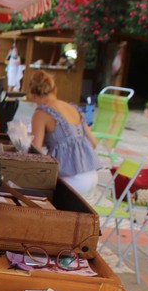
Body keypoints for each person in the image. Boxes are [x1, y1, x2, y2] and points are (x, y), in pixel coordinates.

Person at [27, 70, 101, 199]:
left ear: (33, 96)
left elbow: (36, 152)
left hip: (71, 180)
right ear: (55, 90)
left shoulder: (41, 113)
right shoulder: (73, 108)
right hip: (91, 174)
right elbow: (93, 143)